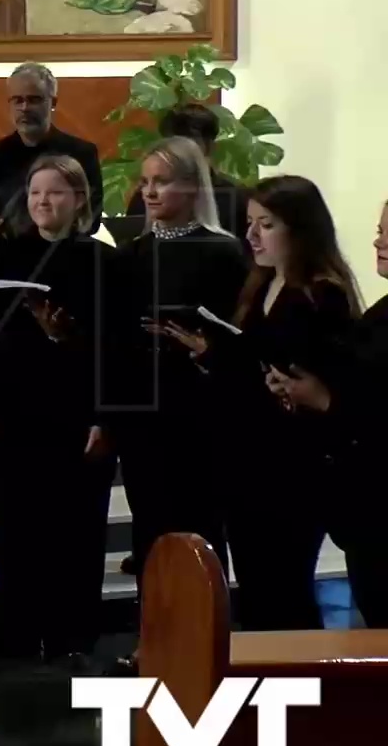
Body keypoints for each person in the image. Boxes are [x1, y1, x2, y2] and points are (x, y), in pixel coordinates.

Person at [156, 176, 359, 631]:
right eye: (249, 223)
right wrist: (213, 354)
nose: (250, 236)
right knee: (257, 586)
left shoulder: (322, 295)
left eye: (265, 224)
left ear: (300, 230)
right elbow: (251, 366)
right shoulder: (259, 285)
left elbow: (331, 383)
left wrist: (294, 390)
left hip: (293, 465)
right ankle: (263, 685)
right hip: (245, 456)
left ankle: (300, 693)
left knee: (285, 588)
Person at [0, 156, 112, 659]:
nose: (43, 202)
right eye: (34, 194)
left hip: (75, 410)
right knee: (17, 527)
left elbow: (114, 347)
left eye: (54, 193)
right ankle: (18, 631)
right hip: (16, 411)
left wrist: (65, 337)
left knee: (77, 529)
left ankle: (73, 632)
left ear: (79, 201)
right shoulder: (6, 254)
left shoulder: (102, 262)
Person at [110, 137, 247, 583]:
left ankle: (204, 642)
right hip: (142, 413)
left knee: (199, 529)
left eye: (161, 182)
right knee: (150, 531)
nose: (149, 192)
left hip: (198, 413)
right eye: (145, 182)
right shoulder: (132, 254)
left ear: (191, 188)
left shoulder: (223, 252)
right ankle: (156, 641)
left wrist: (202, 346)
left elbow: (240, 338)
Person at [267, 198, 388, 627]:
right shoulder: (380, 315)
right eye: (379, 228)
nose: (379, 240)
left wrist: (324, 400)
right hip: (365, 501)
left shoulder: (327, 297)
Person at [0, 63, 104, 233]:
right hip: (6, 253)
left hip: (64, 252)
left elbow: (92, 219)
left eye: (34, 100)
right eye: (17, 100)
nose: (24, 108)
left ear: (53, 102)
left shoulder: (81, 153)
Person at [124, 101, 247, 242]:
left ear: (210, 147)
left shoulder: (235, 197)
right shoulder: (145, 196)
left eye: (189, 144)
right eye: (174, 145)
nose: (180, 153)